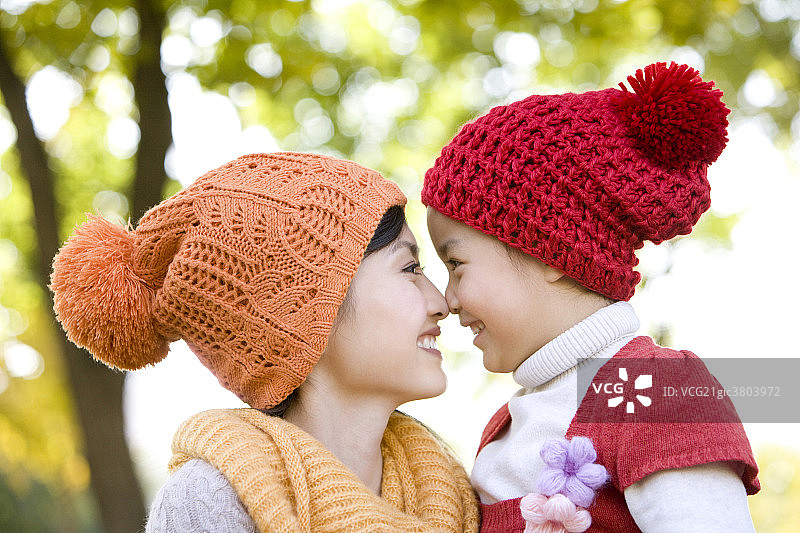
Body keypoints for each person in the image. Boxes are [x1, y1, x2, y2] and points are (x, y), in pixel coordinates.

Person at [50, 152, 480, 532]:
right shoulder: (210, 503)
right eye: (409, 268)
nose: (441, 302)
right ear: (309, 307)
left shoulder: (457, 494)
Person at [422, 62, 760, 532]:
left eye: (456, 265)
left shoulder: (654, 391)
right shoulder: (506, 425)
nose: (448, 299)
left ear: (550, 254)